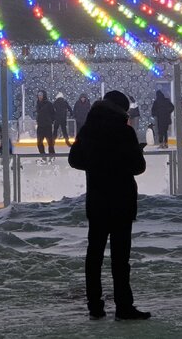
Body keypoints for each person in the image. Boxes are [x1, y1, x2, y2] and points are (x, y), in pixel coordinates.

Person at [67, 90, 151, 321]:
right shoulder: (125, 132)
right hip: (121, 201)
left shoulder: (88, 130)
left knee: (93, 255)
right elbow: (137, 167)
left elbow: (74, 160)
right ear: (122, 110)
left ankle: (95, 305)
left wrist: (97, 161)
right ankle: (124, 306)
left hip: (97, 200)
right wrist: (132, 154)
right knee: (120, 259)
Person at [35, 90, 56, 157]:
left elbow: (53, 113)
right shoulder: (38, 104)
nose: (40, 97)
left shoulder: (49, 104)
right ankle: (43, 155)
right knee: (39, 142)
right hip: (40, 126)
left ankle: (52, 155)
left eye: (41, 95)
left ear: (44, 96)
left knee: (50, 142)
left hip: (47, 126)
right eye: (39, 95)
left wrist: (50, 121)